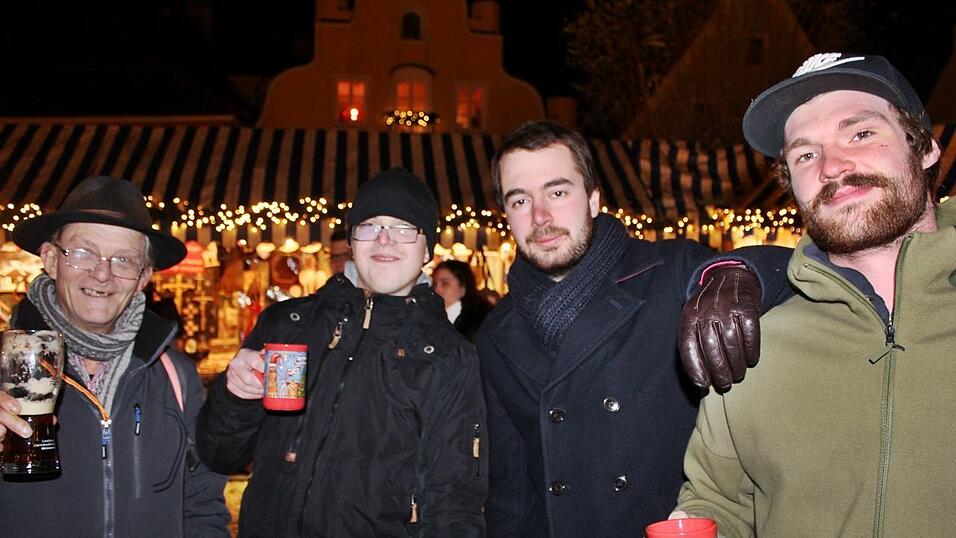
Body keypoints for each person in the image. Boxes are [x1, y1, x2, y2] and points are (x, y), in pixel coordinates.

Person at [672, 53, 955, 535]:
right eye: (805, 154)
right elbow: (716, 499)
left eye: (860, 134)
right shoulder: (751, 342)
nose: (832, 166)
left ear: (924, 147)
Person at [477, 120, 791, 537]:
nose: (540, 216)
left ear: (592, 200)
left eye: (557, 192)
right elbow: (512, 491)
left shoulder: (671, 271)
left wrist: (738, 273)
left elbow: (794, 276)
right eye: (519, 200)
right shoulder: (496, 333)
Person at [196, 167, 487, 536]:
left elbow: (455, 504)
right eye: (370, 226)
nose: (384, 240)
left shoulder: (448, 357)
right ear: (352, 240)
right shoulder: (287, 325)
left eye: (402, 227)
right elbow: (218, 454)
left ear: (427, 246)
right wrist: (235, 396)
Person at [0, 176, 230, 536]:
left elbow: (200, 504)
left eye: (123, 260)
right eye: (82, 253)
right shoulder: (4, 370)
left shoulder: (176, 375)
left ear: (143, 278)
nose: (102, 273)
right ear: (50, 259)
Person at [432, 259, 493, 342]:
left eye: (445, 284)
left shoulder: (481, 321)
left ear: (463, 287)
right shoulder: (430, 317)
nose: (437, 289)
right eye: (435, 284)